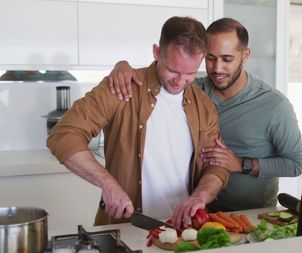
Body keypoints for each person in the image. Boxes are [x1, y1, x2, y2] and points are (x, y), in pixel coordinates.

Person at [47, 16, 229, 229]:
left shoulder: (203, 104)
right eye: (173, 70)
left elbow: (215, 166)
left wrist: (201, 196)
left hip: (185, 231)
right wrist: (108, 185)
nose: (180, 82)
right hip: (126, 228)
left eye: (190, 73)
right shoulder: (122, 86)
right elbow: (63, 136)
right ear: (156, 52)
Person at [107, 18, 302, 212]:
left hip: (251, 215)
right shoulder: (192, 89)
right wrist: (122, 66)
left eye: (227, 59)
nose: (217, 68)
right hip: (198, 211)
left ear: (245, 56)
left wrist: (242, 164)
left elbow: (295, 164)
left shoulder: (274, 106)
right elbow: (166, 68)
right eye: (210, 58)